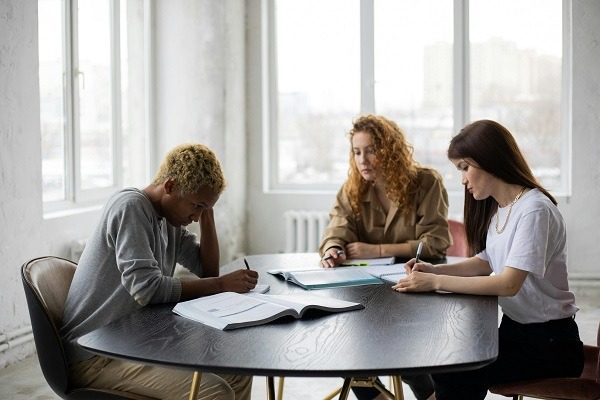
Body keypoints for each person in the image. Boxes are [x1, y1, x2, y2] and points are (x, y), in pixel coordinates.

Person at [393, 120, 584, 399]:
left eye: (464, 167)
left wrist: (435, 281)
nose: (462, 179)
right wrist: (435, 268)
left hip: (551, 344)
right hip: (517, 332)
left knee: (456, 370)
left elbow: (508, 284)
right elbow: (486, 261)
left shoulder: (534, 210)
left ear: (490, 160)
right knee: (447, 360)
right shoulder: (503, 208)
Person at [61, 143, 256, 400]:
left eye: (204, 209)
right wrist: (220, 285)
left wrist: (208, 216)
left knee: (238, 371)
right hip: (94, 355)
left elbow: (207, 271)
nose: (196, 217)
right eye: (196, 206)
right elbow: (147, 289)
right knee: (215, 392)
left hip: (132, 344)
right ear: (171, 186)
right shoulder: (131, 207)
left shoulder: (169, 221)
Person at [319, 114, 451, 400]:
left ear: (390, 151)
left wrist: (378, 250)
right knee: (345, 348)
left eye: (371, 150)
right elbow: (337, 227)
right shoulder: (352, 189)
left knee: (404, 350)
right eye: (357, 152)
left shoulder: (426, 182)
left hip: (414, 286)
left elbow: (436, 242)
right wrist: (333, 247)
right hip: (368, 292)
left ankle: (429, 393)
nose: (363, 160)